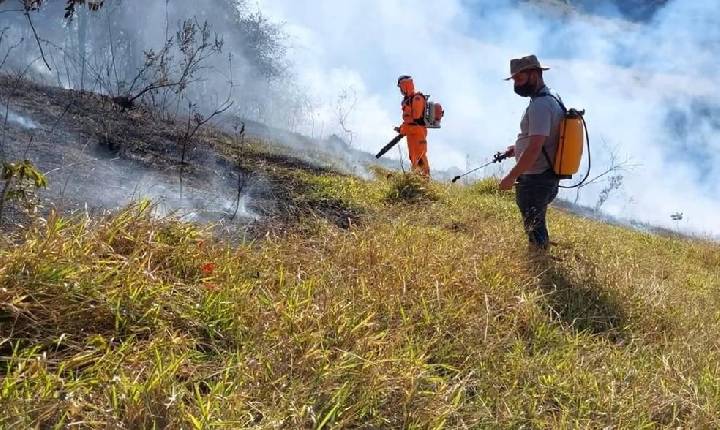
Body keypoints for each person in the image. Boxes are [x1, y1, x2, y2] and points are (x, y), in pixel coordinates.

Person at [499, 55, 564, 250]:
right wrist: (516, 148)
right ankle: (539, 259)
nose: (516, 85)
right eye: (514, 80)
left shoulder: (540, 105)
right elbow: (541, 138)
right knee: (535, 223)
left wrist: (512, 176)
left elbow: (536, 146)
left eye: (519, 79)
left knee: (534, 226)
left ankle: (539, 266)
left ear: (534, 75)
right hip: (545, 174)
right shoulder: (551, 96)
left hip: (536, 178)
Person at [395, 75, 430, 177]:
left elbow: (416, 119)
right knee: (414, 158)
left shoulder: (417, 99)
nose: (400, 90)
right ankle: (416, 182)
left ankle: (425, 184)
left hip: (417, 133)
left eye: (401, 87)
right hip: (412, 134)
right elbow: (408, 121)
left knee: (420, 157)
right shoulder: (408, 100)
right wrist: (401, 128)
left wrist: (404, 129)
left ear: (405, 85)